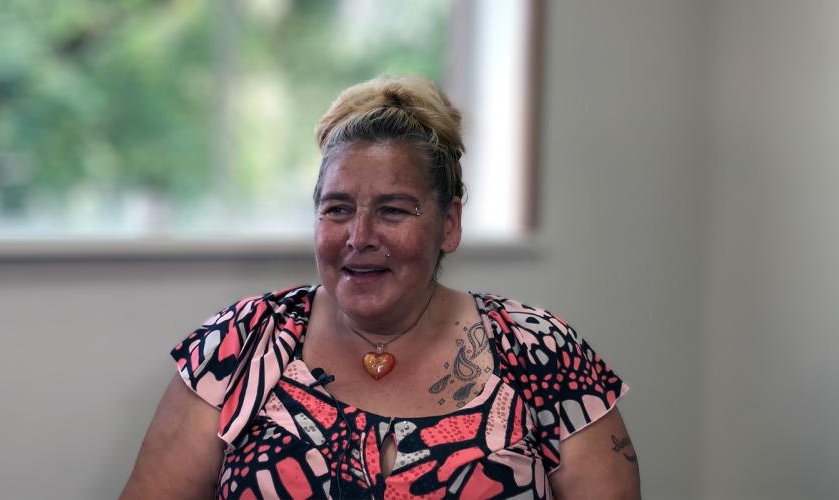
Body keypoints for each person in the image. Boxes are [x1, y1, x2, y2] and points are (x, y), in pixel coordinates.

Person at [122, 76, 638, 499]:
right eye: (337, 209)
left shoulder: (541, 353)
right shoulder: (241, 345)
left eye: (393, 210)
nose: (359, 237)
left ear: (449, 224)